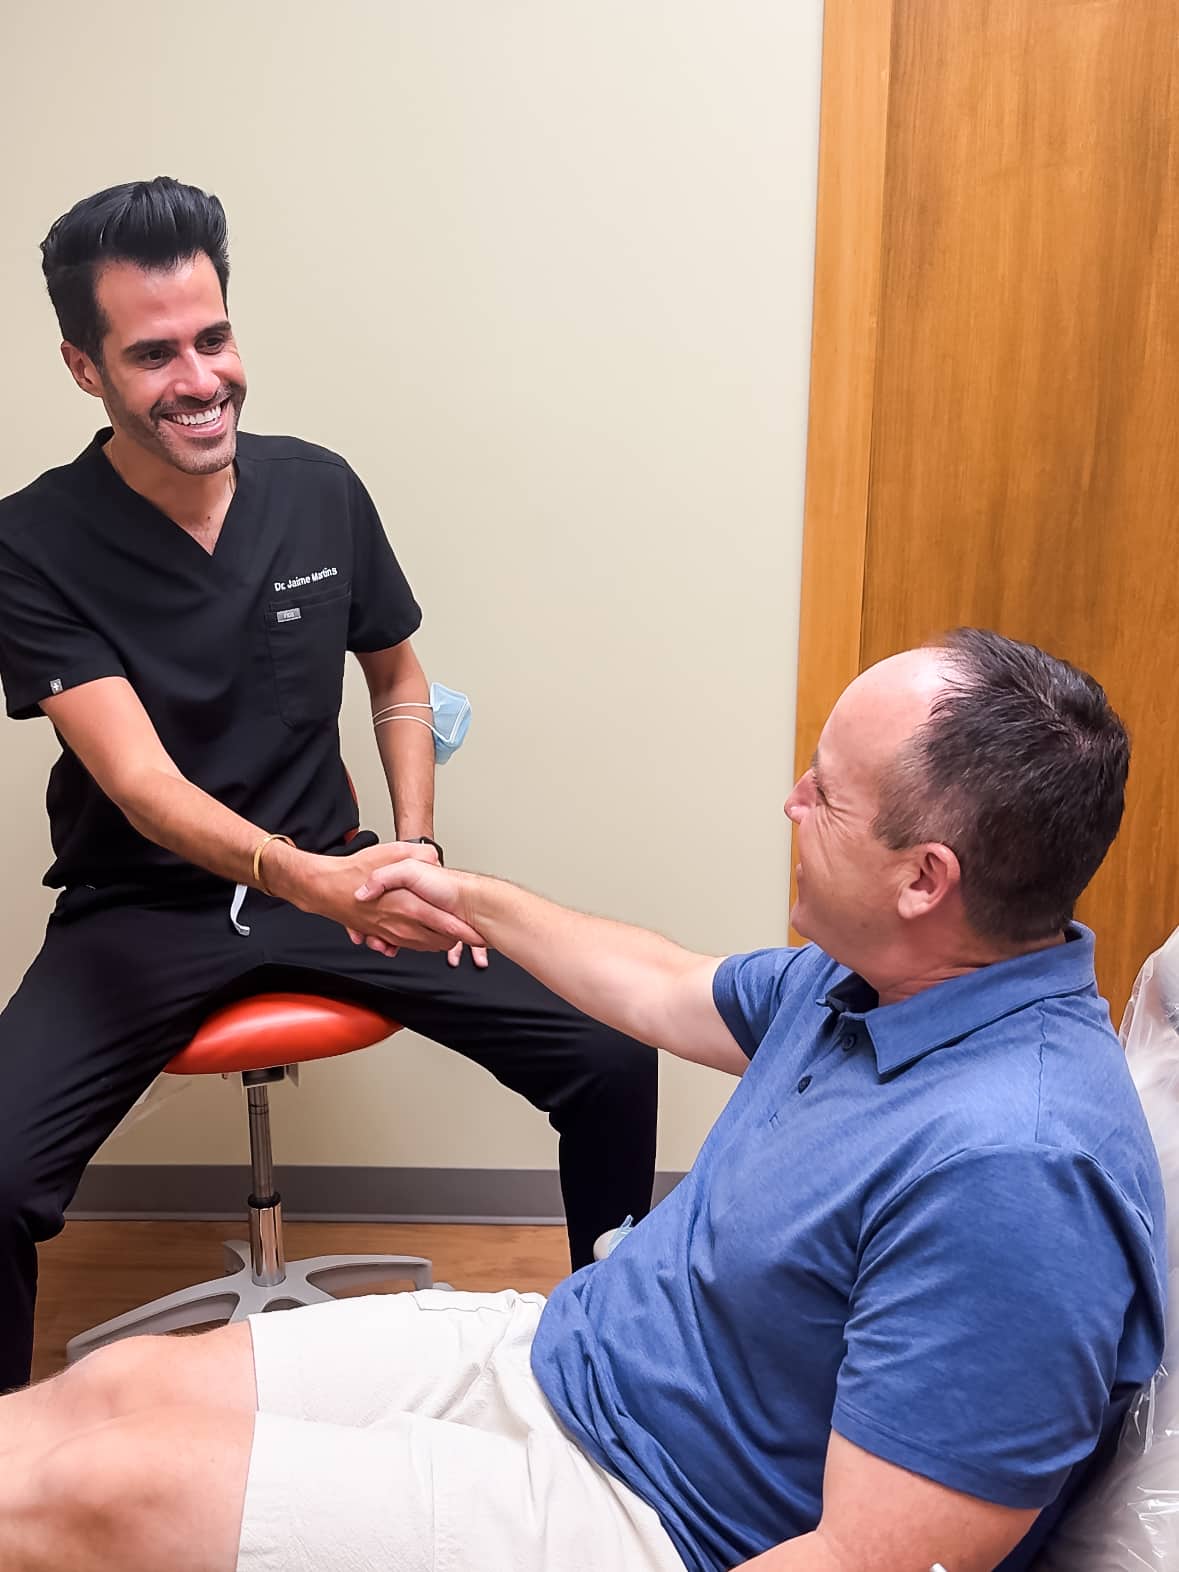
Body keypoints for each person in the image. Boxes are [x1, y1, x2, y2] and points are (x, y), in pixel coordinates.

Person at [0, 629, 1164, 1572]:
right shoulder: (878, 980)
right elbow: (661, 986)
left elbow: (869, 1561)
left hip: (645, 1515)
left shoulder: (1016, 1172)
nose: (790, 801)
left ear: (927, 879)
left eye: (827, 793)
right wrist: (457, 891)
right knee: (120, 1389)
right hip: (568, 1356)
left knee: (108, 1494)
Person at [0, 176, 658, 1393]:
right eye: (154, 355)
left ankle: (619, 1369)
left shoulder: (319, 488)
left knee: (611, 1053)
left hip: (341, 875)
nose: (200, 379)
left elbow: (399, 675)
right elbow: (140, 785)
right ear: (85, 369)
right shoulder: (31, 542)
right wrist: (314, 876)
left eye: (215, 338)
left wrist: (409, 849)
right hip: (142, 910)